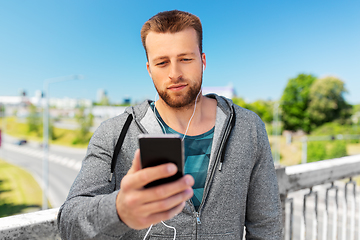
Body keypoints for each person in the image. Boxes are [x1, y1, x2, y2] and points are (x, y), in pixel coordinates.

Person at [58, 10, 283, 239]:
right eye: (162, 62)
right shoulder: (115, 134)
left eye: (185, 59)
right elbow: (69, 223)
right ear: (149, 69)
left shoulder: (248, 128)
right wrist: (119, 210)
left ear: (203, 61)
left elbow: (266, 226)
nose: (174, 74)